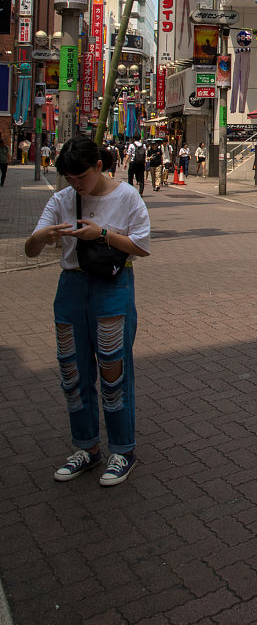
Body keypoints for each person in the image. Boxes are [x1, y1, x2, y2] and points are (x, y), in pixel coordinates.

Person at [24, 135, 150, 486]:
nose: (76, 185)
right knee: (72, 372)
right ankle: (87, 448)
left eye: (82, 177)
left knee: (113, 370)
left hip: (113, 286)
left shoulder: (127, 196)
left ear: (99, 166)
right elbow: (30, 248)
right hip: (71, 288)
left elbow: (141, 247)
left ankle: (123, 451)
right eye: (70, 179)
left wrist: (102, 233)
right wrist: (43, 236)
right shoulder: (62, 199)